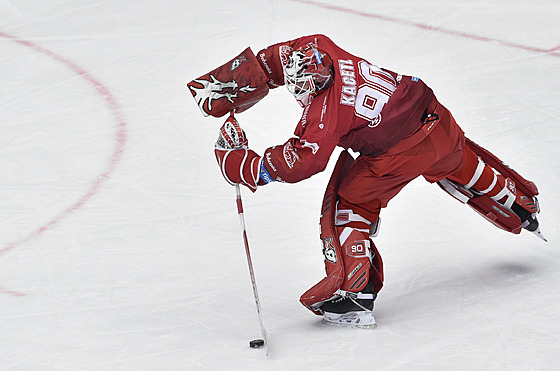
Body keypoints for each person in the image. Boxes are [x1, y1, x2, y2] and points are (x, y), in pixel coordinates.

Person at [213, 34, 544, 328]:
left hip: (401, 152)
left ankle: (354, 294)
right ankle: (519, 203)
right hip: (436, 117)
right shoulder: (324, 47)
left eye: (304, 87)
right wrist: (245, 81)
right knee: (461, 164)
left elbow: (301, 162)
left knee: (352, 202)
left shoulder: (326, 113)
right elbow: (280, 58)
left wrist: (243, 164)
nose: (300, 93)